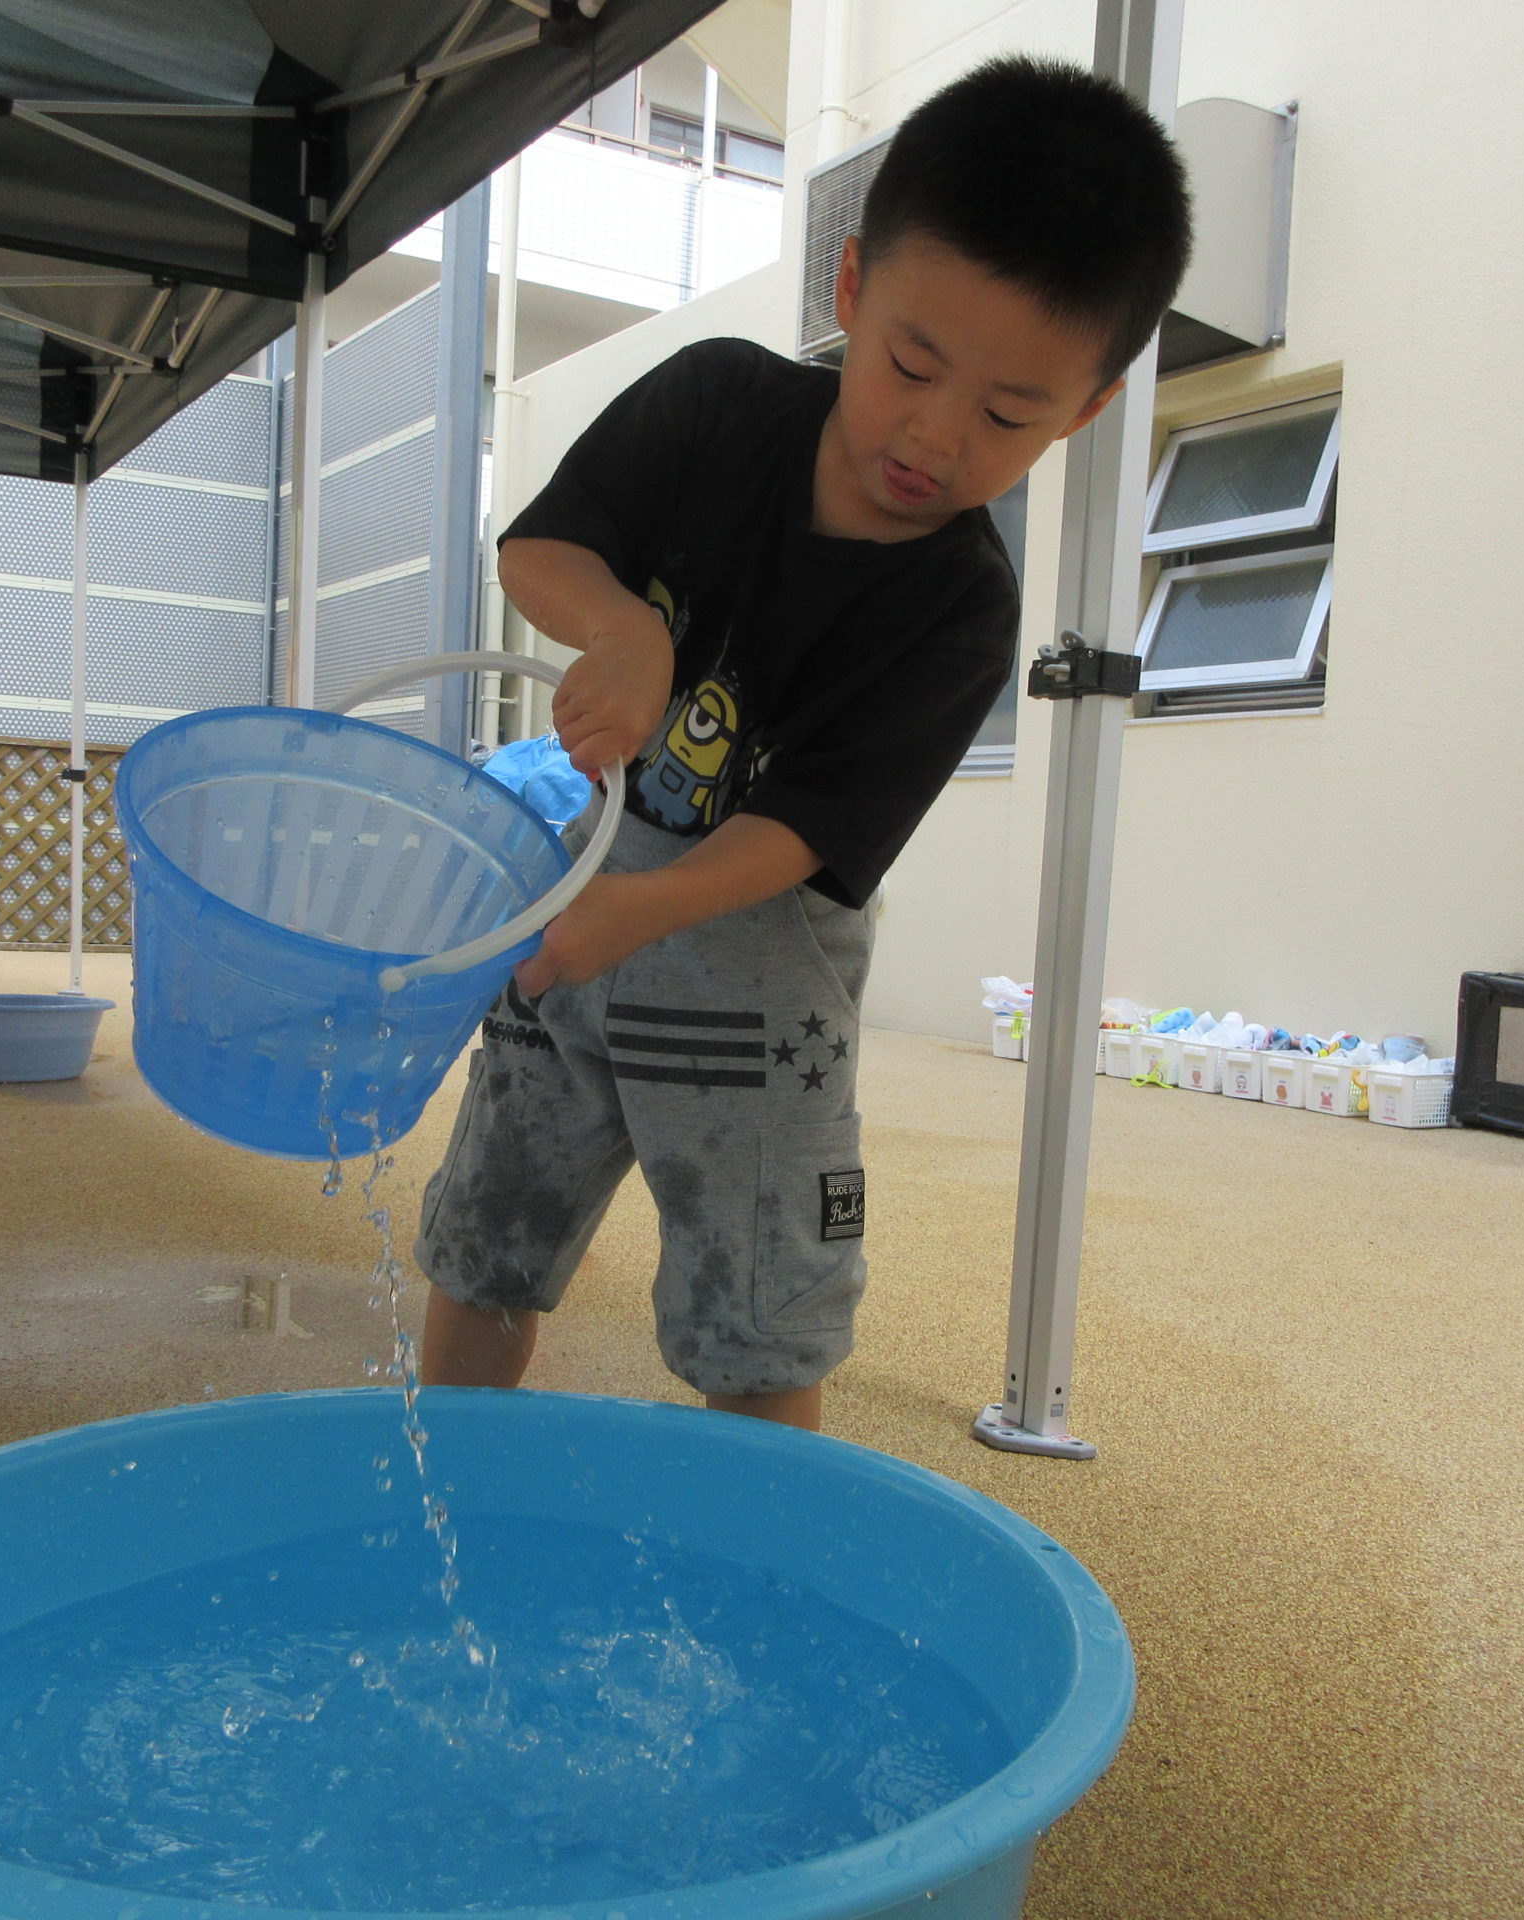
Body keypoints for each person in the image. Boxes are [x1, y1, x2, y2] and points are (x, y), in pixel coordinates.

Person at [413, 57, 1194, 1430]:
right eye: (910, 364)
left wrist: (636, 911)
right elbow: (537, 546)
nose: (937, 433)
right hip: (571, 920)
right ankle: (452, 1498)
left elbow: (811, 834)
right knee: (490, 1243)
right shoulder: (715, 405)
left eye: (1011, 415)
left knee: (762, 1315)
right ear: (848, 290)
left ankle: (752, 1586)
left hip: (753, 993)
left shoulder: (960, 608)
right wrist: (622, 630)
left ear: (1087, 408)